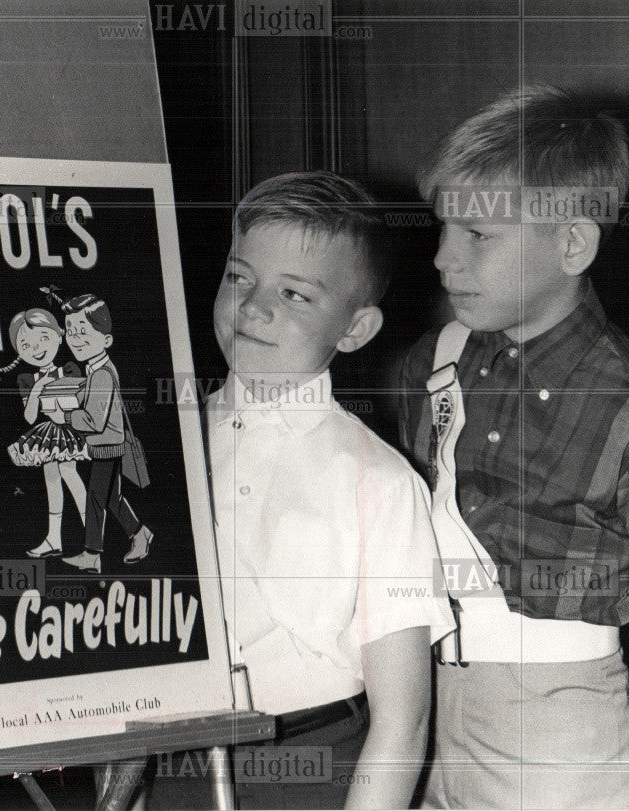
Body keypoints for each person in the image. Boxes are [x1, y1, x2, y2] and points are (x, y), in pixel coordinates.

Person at [397, 85, 629, 808]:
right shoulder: (432, 367)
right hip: (429, 718)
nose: (442, 259)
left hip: (569, 739)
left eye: (477, 236)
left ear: (572, 242)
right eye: (443, 229)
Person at [185, 170, 455, 809]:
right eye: (238, 277)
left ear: (355, 329)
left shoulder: (380, 483)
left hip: (314, 767)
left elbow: (402, 723)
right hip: (171, 762)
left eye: (295, 294)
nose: (254, 307)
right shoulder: (164, 450)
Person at [44, 293, 153, 573]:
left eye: (83, 332)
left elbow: (93, 420)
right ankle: (140, 534)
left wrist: (64, 416)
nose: (75, 338)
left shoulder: (102, 374)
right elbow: (89, 393)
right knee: (109, 499)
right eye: (70, 331)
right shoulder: (95, 370)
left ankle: (92, 554)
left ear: (106, 340)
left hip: (108, 445)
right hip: (106, 445)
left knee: (96, 499)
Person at [0, 307, 87, 558]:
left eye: (43, 338)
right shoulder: (26, 378)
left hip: (70, 427)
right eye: (26, 344)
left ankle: (93, 533)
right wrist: (37, 389)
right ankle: (54, 539)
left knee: (70, 473)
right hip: (47, 433)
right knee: (52, 481)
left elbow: (80, 401)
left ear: (58, 335)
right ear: (19, 352)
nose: (36, 348)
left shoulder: (70, 368)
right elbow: (30, 417)